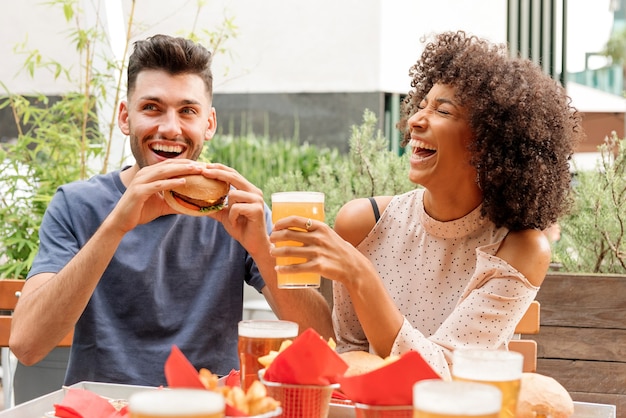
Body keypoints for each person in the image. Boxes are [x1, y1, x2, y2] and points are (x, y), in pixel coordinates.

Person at [9, 34, 332, 387]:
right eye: (151, 107)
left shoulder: (237, 208)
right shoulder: (76, 204)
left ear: (208, 124)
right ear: (125, 117)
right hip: (103, 409)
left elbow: (322, 343)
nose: (170, 128)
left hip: (207, 409)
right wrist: (116, 225)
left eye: (187, 111)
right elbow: (27, 346)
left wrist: (261, 247)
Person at [269, 30, 583, 379]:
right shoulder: (364, 223)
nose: (416, 121)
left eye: (442, 111)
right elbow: (352, 353)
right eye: (422, 105)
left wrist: (359, 274)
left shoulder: (519, 249)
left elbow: (445, 375)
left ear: (488, 142)